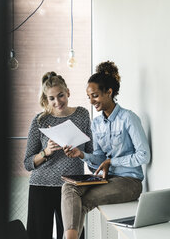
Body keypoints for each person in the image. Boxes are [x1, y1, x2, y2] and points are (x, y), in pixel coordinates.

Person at [61, 61, 151, 239]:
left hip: (129, 182)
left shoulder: (128, 118)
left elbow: (144, 155)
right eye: (89, 97)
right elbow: (99, 159)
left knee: (84, 201)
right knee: (68, 188)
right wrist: (82, 155)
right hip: (106, 179)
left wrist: (113, 162)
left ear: (109, 92)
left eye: (95, 95)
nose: (91, 101)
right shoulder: (96, 123)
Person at [24, 72, 93, 239]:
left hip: (71, 187)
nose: (57, 102)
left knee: (73, 236)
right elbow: (27, 163)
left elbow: (91, 153)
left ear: (68, 92)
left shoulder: (82, 115)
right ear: (46, 100)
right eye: (52, 98)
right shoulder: (39, 121)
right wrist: (46, 152)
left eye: (61, 95)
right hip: (41, 186)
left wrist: (79, 153)